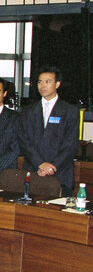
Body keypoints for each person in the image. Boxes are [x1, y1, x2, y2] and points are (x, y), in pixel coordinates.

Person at [18, 66, 80, 196]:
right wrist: (40, 164)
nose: (43, 86)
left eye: (48, 81)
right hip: (33, 171)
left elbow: (70, 144)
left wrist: (51, 167)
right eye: (40, 82)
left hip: (60, 173)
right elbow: (24, 140)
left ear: (57, 84)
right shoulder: (28, 111)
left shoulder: (70, 111)